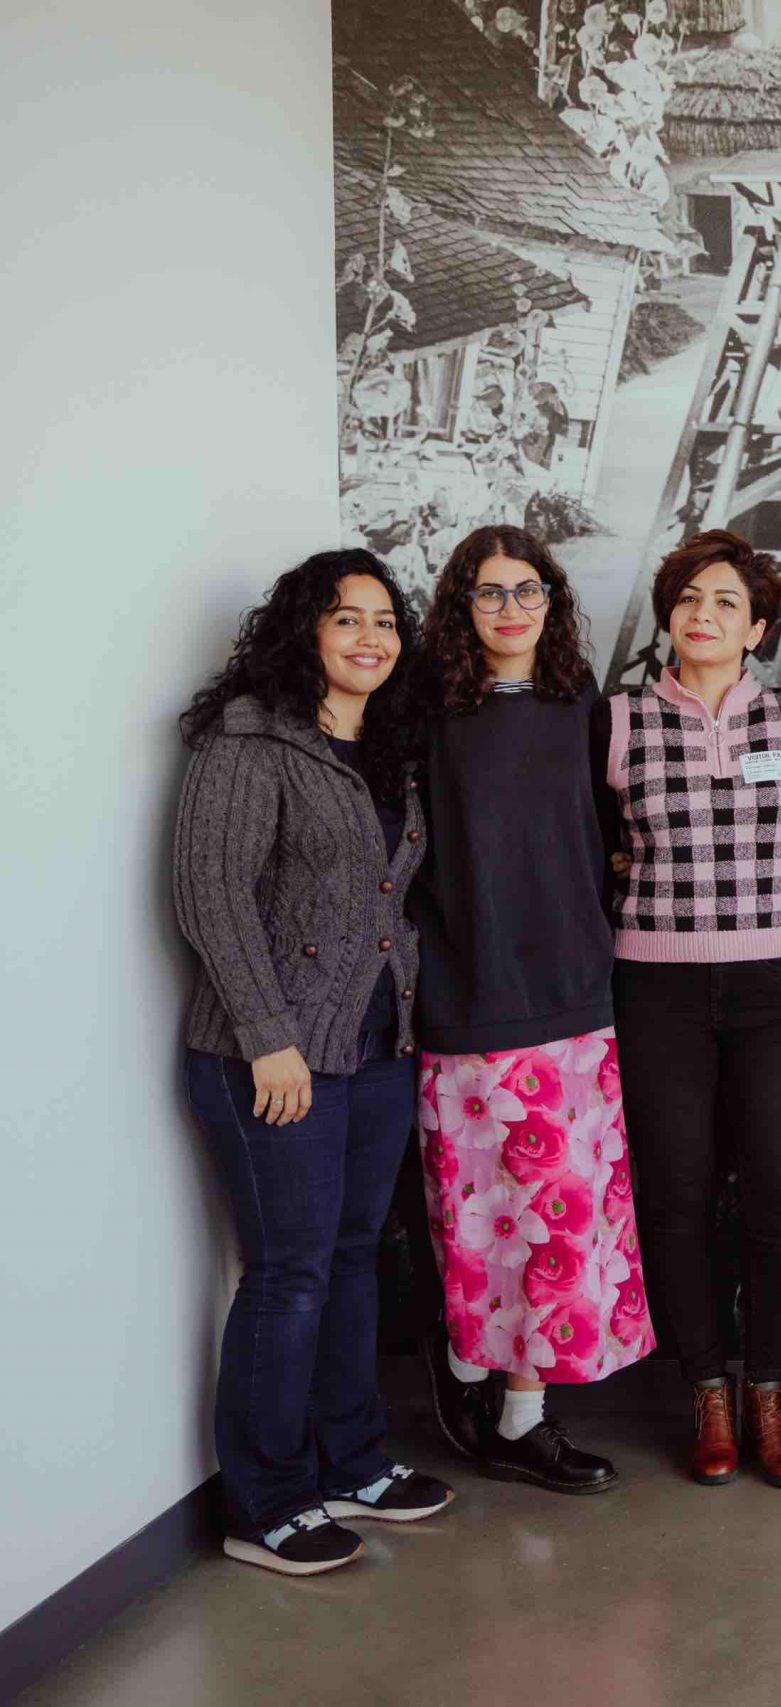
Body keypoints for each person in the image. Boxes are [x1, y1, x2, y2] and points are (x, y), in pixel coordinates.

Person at [176, 550, 454, 1575]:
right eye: (347, 620)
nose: (370, 639)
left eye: (385, 622)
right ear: (307, 631)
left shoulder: (384, 747)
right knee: (289, 1273)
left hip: (377, 1045)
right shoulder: (250, 740)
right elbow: (212, 898)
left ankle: (353, 1462)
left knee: (348, 1258)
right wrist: (268, 1038)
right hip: (273, 1054)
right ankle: (266, 1503)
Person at [411, 526, 640, 1497]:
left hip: (576, 1003)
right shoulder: (424, 717)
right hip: (468, 1004)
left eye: (528, 590)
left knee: (560, 1233)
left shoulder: (582, 710)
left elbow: (619, 836)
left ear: (552, 601)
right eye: (488, 593)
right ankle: (469, 1383)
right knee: (480, 1227)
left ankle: (523, 1417)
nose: (510, 608)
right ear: (462, 609)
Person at [598, 530, 781, 1489]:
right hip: (657, 988)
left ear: (759, 626)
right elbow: (590, 846)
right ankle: (706, 1391)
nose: (705, 614)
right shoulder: (615, 723)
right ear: (668, 615)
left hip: (775, 987)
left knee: (779, 1192)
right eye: (690, 597)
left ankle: (768, 1385)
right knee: (676, 1192)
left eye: (728, 601)